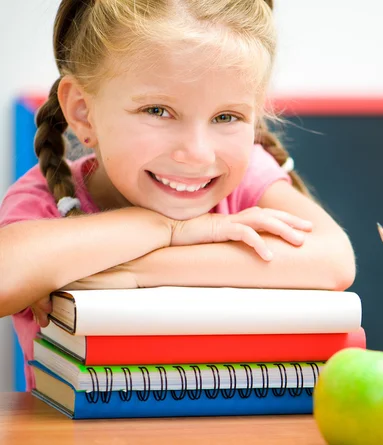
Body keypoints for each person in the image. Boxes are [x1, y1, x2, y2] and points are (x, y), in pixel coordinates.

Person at [0, 0, 356, 391]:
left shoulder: (248, 176)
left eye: (226, 117)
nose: (198, 153)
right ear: (84, 113)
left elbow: (333, 259)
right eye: (158, 110)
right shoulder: (46, 198)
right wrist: (163, 227)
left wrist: (136, 272)